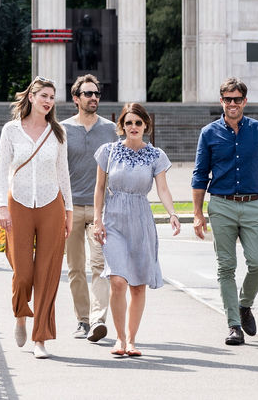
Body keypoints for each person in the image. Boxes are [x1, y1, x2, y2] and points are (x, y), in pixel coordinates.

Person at [191, 77, 258, 347]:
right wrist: (197, 214)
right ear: (221, 101)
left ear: (245, 101)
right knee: (226, 267)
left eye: (237, 99)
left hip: (253, 204)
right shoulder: (209, 133)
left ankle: (244, 305)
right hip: (221, 205)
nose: (232, 104)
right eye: (228, 99)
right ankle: (233, 325)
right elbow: (199, 176)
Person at [91, 103, 181, 357]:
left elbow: (162, 189)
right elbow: (99, 188)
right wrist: (98, 219)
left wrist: (172, 213)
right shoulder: (107, 152)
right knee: (118, 280)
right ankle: (119, 339)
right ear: (121, 125)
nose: (133, 127)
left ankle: (131, 340)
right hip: (114, 220)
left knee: (138, 285)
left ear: (145, 126)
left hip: (141, 221)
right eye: (128, 122)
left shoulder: (156, 156)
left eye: (138, 123)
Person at [0, 77, 74, 359]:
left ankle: (40, 337)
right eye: (44, 95)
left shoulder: (58, 132)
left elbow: (63, 173)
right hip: (18, 203)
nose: (48, 101)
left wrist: (69, 211)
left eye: (52, 97)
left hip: (52, 204)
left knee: (47, 273)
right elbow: (1, 169)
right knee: (23, 272)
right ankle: (20, 313)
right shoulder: (11, 130)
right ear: (31, 97)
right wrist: (1, 207)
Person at [61, 74, 118, 343]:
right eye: (88, 94)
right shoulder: (61, 130)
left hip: (100, 211)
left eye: (96, 93)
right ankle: (82, 320)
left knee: (99, 265)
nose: (93, 98)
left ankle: (97, 320)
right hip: (70, 209)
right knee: (74, 268)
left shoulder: (110, 129)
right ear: (76, 99)